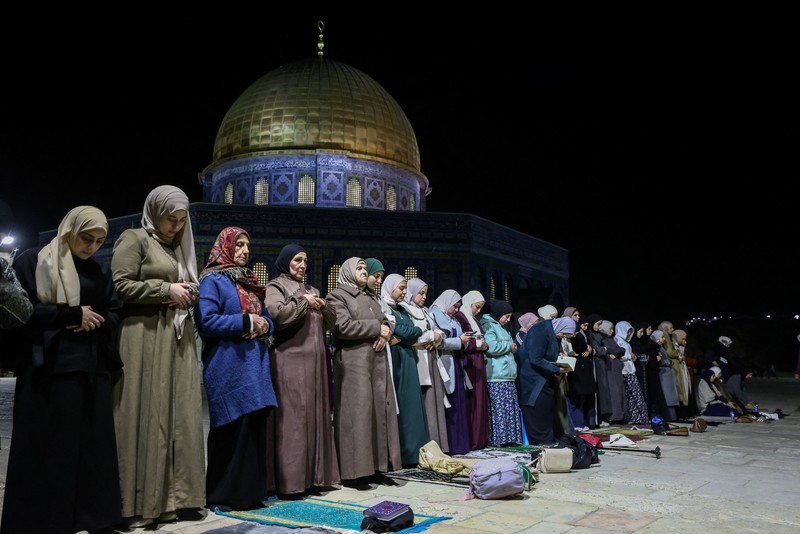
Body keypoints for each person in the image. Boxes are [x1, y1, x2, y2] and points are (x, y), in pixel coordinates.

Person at [1, 206, 124, 533]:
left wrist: (96, 320)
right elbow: (20, 312)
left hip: (90, 370)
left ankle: (91, 517)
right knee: (47, 450)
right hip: (47, 372)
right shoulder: (33, 262)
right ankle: (44, 521)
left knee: (91, 451)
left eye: (99, 241)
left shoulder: (99, 270)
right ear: (70, 230)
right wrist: (72, 315)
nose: (92, 247)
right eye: (86, 239)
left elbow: (114, 311)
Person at [111, 185, 206, 526]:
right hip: (144, 338)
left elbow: (186, 286)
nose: (176, 227)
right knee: (145, 414)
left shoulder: (178, 248)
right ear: (154, 212)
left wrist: (189, 292)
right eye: (170, 219)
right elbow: (120, 285)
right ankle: (137, 504)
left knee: (176, 416)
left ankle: (173, 500)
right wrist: (165, 289)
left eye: (181, 221)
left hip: (175, 338)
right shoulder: (134, 239)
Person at [196, 227, 278, 511]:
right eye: (239, 245)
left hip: (254, 367)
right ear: (226, 247)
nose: (245, 250)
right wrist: (246, 322)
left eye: (247, 246)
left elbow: (265, 316)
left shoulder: (249, 281)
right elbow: (206, 321)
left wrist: (265, 325)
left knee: (252, 430)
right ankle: (222, 495)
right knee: (231, 431)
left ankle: (249, 494)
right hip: (228, 367)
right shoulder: (212, 280)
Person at [264, 243, 340, 497]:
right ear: (286, 261)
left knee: (315, 418)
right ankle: (291, 482)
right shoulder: (276, 286)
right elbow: (277, 315)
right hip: (289, 363)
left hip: (316, 366)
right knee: (293, 421)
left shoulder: (312, 290)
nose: (302, 265)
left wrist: (322, 305)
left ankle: (314, 478)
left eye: (305, 261)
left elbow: (332, 322)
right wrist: (302, 301)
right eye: (297, 260)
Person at [323, 257, 401, 484]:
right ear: (348, 272)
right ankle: (354, 472)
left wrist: (384, 331)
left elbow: (385, 321)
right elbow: (342, 326)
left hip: (376, 361)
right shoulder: (337, 296)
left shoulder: (370, 297)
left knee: (377, 413)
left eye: (365, 268)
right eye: (359, 268)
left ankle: (376, 467)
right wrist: (377, 328)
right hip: (354, 362)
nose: (364, 272)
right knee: (357, 415)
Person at [381, 273, 430, 466]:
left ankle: (414, 453)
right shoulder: (383, 306)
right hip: (395, 359)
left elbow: (413, 331)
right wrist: (409, 332)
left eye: (405, 288)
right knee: (400, 406)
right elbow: (405, 330)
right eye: (401, 288)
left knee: (412, 406)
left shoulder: (401, 309)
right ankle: (402, 453)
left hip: (408, 358)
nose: (404, 292)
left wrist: (406, 334)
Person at [402, 277, 448, 452]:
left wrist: (437, 338)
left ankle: (438, 444)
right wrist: (430, 337)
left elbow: (438, 331)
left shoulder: (427, 311)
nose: (424, 297)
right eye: (421, 293)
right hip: (418, 359)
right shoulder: (406, 309)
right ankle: (425, 446)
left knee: (434, 401)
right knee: (424, 401)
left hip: (432, 358)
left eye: (425, 294)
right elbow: (411, 334)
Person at [516, 316, 575, 444]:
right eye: (563, 333)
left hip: (543, 376)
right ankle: (540, 440)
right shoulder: (540, 331)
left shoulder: (553, 331)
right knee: (538, 406)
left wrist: (558, 356)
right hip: (531, 377)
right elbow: (535, 358)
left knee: (546, 407)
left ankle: (547, 438)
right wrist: (557, 369)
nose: (563, 336)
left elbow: (547, 352)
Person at [430, 289, 471, 454]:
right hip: (445, 364)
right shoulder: (435, 315)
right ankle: (451, 445)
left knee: (458, 403)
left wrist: (464, 341)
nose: (456, 309)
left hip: (456, 363)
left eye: (458, 306)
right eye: (455, 306)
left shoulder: (452, 319)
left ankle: (461, 444)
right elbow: (439, 343)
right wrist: (459, 341)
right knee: (449, 404)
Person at [480, 299, 521, 446]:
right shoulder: (488, 325)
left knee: (508, 409)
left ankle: (510, 438)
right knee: (499, 410)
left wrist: (511, 347)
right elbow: (491, 347)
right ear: (498, 313)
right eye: (506, 316)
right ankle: (499, 439)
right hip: (496, 376)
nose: (508, 320)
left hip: (507, 375)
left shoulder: (502, 327)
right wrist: (509, 346)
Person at [454, 290, 491, 451]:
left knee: (479, 400)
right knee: (471, 401)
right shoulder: (461, 317)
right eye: (477, 306)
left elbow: (481, 340)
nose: (478, 310)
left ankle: (480, 439)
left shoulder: (474, 320)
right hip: (469, 363)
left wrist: (484, 345)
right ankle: (471, 439)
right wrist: (478, 344)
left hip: (479, 362)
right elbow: (463, 341)